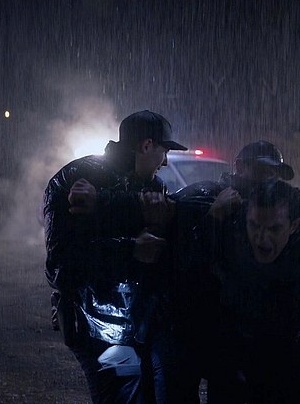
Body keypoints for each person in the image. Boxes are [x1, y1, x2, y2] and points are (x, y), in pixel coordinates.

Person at [43, 109, 187, 404]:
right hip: (94, 323)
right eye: (164, 151)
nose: (165, 162)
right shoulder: (78, 178)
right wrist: (130, 248)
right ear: (146, 146)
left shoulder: (152, 186)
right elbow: (62, 263)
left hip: (136, 322)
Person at [200, 179, 300, 404]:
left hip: (284, 375)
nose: (261, 238)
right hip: (232, 370)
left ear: (294, 226)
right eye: (254, 225)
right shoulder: (229, 237)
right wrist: (212, 219)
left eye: (274, 229)